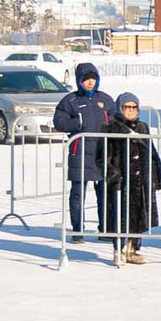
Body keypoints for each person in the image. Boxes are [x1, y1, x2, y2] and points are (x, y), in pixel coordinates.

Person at [53, 62, 115, 243]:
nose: (90, 83)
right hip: (79, 152)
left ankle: (105, 229)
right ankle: (77, 230)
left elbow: (115, 119)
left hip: (102, 153)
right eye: (86, 80)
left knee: (104, 193)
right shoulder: (70, 100)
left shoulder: (105, 99)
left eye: (93, 79)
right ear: (79, 81)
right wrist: (76, 123)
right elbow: (59, 122)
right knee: (78, 193)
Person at [100, 92, 161, 265]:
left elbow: (151, 152)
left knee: (139, 216)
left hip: (141, 180)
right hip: (121, 180)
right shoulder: (111, 127)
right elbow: (102, 156)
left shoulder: (143, 127)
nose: (130, 110)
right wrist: (112, 173)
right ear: (120, 108)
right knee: (120, 216)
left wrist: (157, 175)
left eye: (134, 107)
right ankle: (118, 250)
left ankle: (133, 249)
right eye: (127, 107)